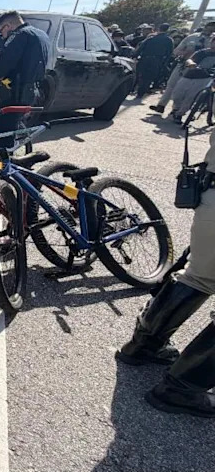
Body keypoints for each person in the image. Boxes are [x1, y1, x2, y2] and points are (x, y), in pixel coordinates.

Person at [117, 126, 215, 417]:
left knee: (199, 276)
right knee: (200, 277)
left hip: (211, 195)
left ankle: (144, 345)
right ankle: (185, 386)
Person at [0, 11, 51, 145]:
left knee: (1, 133)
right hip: (32, 90)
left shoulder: (19, 35)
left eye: (0, 32)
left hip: (17, 91)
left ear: (7, 26)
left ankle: (1, 162)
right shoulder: (41, 35)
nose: (1, 36)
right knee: (12, 125)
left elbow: (7, 61)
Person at [152, 21, 215, 114]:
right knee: (171, 85)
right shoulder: (192, 37)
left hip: (200, 71)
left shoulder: (212, 41)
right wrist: (185, 53)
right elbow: (176, 51)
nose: (210, 29)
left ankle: (176, 110)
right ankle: (161, 105)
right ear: (205, 26)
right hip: (183, 65)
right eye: (210, 26)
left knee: (187, 91)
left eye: (213, 28)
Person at [162, 36, 215, 122]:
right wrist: (192, 64)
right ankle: (175, 109)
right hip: (189, 75)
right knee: (177, 94)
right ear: (211, 42)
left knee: (191, 97)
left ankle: (180, 114)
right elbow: (190, 60)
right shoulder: (202, 52)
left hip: (204, 78)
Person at [134, 24, 174, 97]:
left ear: (159, 28)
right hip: (157, 60)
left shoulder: (151, 38)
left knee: (139, 74)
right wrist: (164, 63)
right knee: (149, 77)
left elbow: (141, 47)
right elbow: (169, 53)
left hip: (144, 59)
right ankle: (140, 93)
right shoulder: (169, 40)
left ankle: (134, 89)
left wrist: (135, 56)